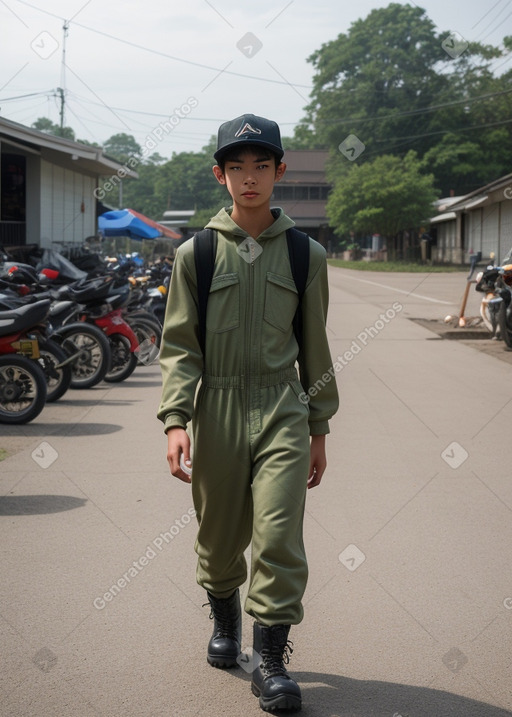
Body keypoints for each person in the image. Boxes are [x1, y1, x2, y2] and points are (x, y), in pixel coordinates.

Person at [157, 113, 339, 713]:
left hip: (283, 405)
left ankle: (271, 660)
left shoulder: (304, 254)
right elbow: (180, 347)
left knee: (280, 531)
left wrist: (318, 428)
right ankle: (225, 624)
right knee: (218, 532)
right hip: (220, 405)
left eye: (262, 165)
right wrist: (176, 420)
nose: (250, 177)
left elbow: (315, 347)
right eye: (238, 167)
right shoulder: (197, 254)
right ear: (220, 175)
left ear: (280, 171)